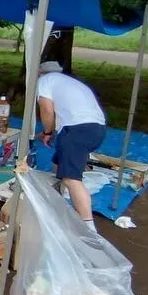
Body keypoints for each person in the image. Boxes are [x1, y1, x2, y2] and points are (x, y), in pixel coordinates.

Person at [36, 61, 107, 232]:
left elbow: (47, 110)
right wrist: (52, 132)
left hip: (77, 128)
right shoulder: (70, 82)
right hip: (96, 128)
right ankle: (59, 199)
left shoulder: (45, 81)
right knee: (59, 160)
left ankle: (88, 228)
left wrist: (46, 132)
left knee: (71, 178)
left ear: (40, 73)